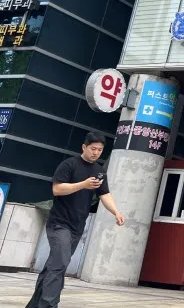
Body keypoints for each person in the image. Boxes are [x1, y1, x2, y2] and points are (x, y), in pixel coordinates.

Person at [26, 131, 125, 308]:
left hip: (77, 226)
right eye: (93, 149)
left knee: (54, 265)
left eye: (100, 150)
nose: (96, 153)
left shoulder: (99, 171)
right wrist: (83, 185)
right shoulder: (69, 165)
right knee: (60, 264)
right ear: (84, 147)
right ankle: (49, 305)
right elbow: (57, 189)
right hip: (59, 224)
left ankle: (35, 305)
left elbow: (105, 194)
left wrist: (116, 212)